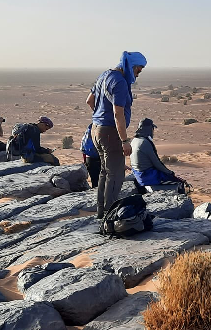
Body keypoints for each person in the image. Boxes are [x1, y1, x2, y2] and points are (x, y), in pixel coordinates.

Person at [86, 51, 147, 219]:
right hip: (110, 133)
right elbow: (117, 113)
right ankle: (110, 215)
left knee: (105, 172)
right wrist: (124, 140)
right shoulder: (119, 82)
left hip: (96, 130)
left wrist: (101, 119)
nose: (137, 74)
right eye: (138, 70)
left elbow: (89, 101)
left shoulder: (104, 75)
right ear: (131, 66)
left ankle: (102, 212)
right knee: (116, 174)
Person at [130, 118, 187, 193]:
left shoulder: (134, 140)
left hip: (138, 174)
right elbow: (157, 163)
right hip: (148, 177)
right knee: (180, 183)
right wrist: (170, 174)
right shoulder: (145, 143)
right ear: (149, 129)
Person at [80, 123, 101, 187]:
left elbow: (84, 147)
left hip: (89, 158)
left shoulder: (91, 127)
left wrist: (85, 161)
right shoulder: (106, 126)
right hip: (101, 158)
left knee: (95, 182)